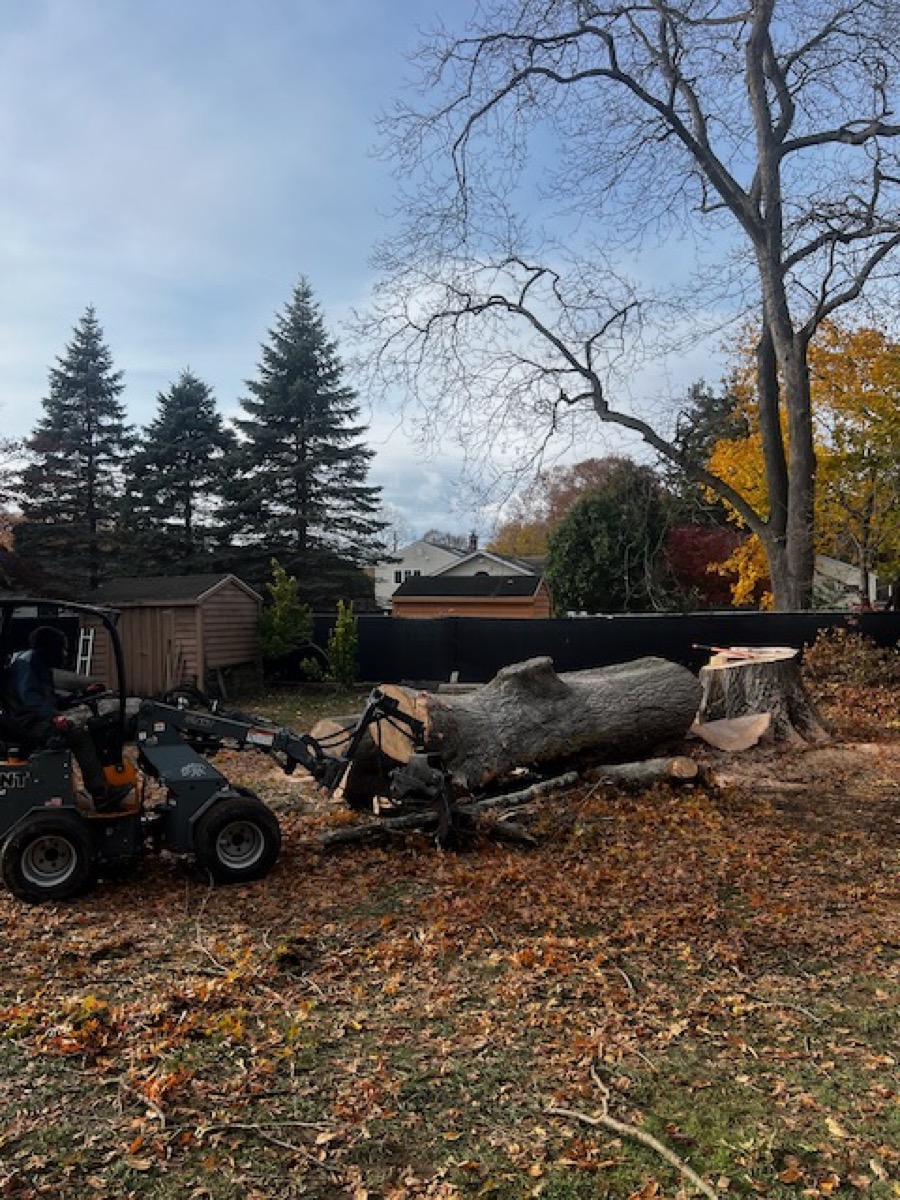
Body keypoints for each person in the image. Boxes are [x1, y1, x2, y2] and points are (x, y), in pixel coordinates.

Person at [1, 626, 130, 810]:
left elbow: (48, 699)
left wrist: (78, 695)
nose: (65, 653)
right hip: (27, 724)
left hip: (28, 720)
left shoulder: (34, 662)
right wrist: (54, 717)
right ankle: (101, 794)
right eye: (62, 648)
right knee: (79, 736)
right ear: (49, 648)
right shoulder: (28, 663)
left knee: (80, 728)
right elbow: (30, 698)